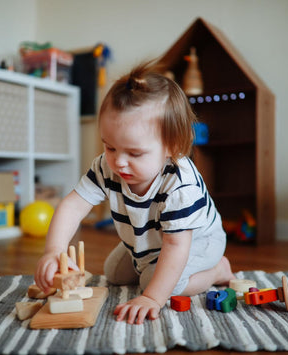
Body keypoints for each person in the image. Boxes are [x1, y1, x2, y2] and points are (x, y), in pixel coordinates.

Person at [34, 61, 235, 324]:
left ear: (172, 146)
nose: (119, 162)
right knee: (113, 273)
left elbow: (176, 246)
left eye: (135, 153)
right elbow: (72, 206)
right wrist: (53, 250)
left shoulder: (180, 186)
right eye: (110, 147)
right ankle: (150, 266)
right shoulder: (108, 166)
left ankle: (217, 270)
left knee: (157, 283)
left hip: (196, 243)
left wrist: (152, 298)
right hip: (150, 241)